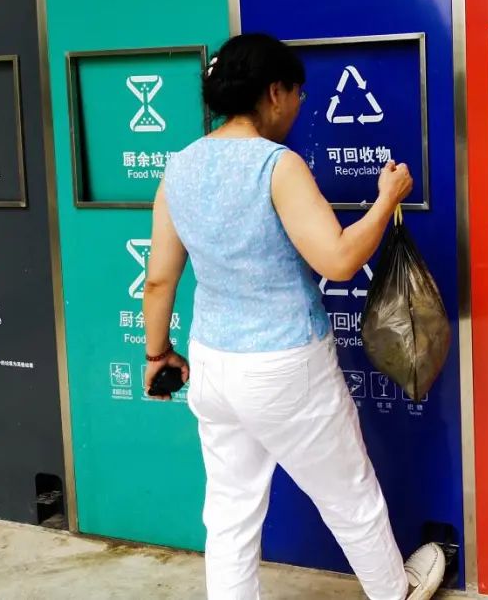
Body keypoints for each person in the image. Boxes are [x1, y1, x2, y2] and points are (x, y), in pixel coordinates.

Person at [140, 33, 446, 600]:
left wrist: (158, 354)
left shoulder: (178, 167)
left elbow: (159, 280)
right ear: (274, 92)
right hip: (284, 365)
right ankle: (393, 591)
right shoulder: (277, 165)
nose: (300, 106)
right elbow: (338, 259)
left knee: (230, 509)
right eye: (299, 94)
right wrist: (387, 198)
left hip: (212, 363)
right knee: (348, 493)